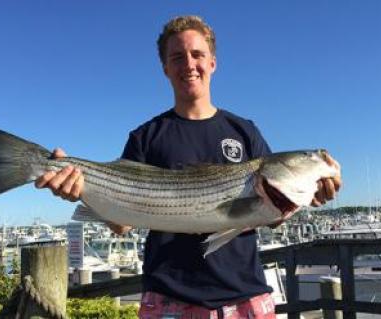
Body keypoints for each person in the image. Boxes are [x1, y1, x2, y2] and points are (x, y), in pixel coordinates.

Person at [36, 15, 341, 319]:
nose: (189, 64)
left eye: (198, 55)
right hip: (168, 297)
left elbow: (272, 218)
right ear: (166, 68)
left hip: (245, 295)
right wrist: (83, 190)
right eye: (177, 57)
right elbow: (122, 225)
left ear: (213, 63)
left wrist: (309, 194)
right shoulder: (145, 136)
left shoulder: (245, 131)